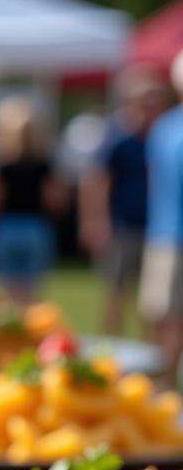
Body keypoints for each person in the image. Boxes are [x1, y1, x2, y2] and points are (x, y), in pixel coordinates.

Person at [79, 68, 167, 335]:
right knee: (116, 292)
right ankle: (112, 347)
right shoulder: (117, 139)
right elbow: (96, 183)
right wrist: (95, 222)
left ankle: (150, 355)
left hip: (155, 229)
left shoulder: (162, 138)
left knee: (153, 300)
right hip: (122, 227)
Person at [0, 97, 67, 303]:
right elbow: (55, 200)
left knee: (8, 291)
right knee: (33, 293)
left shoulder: (1, 164)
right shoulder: (44, 163)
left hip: (6, 226)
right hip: (35, 226)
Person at [140, 50, 183, 378]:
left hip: (162, 234)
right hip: (170, 235)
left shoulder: (164, 128)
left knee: (161, 320)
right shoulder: (168, 128)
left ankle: (161, 389)